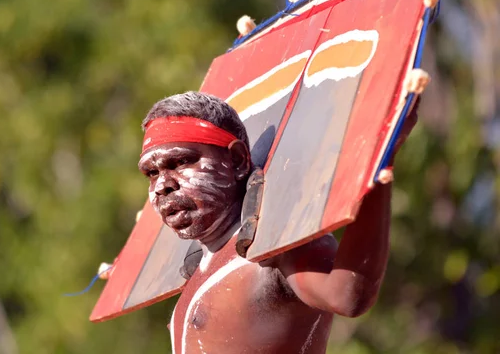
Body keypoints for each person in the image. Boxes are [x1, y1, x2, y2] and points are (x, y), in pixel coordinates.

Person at [138, 91, 418, 354]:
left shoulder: (276, 248)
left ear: (236, 160)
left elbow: (347, 294)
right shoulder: (199, 269)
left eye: (181, 162)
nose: (162, 185)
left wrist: (380, 163)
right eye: (151, 173)